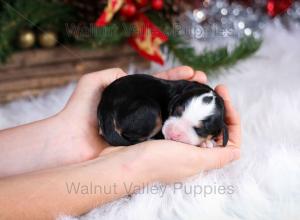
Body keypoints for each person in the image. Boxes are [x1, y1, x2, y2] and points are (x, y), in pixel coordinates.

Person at [0, 66, 241, 219]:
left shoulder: (180, 97)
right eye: (177, 114)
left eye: (197, 130)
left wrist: (67, 135)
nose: (176, 131)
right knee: (148, 116)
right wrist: (134, 167)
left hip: (123, 109)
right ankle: (131, 136)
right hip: (126, 109)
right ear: (177, 101)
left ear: (218, 132)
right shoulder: (170, 99)